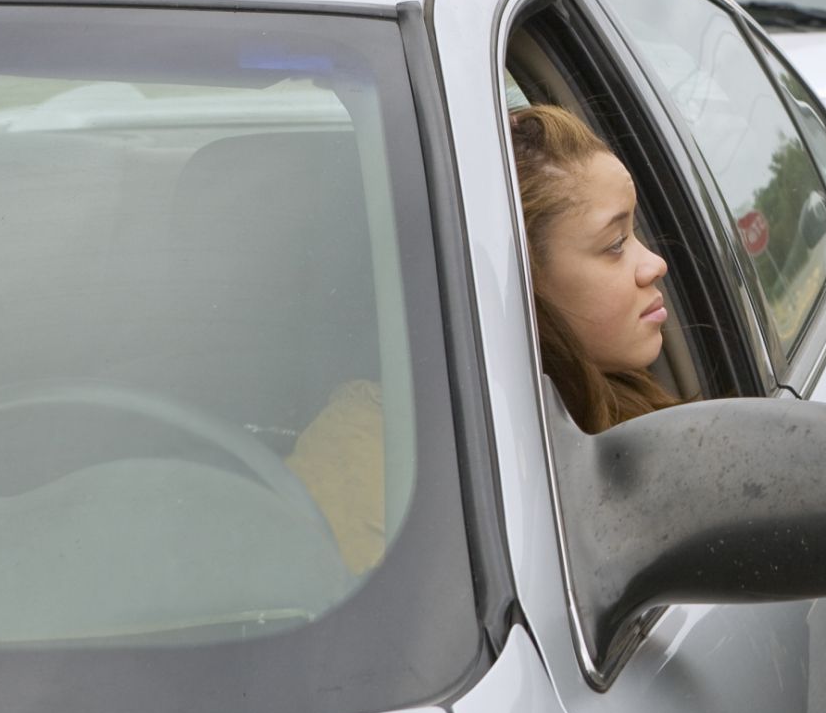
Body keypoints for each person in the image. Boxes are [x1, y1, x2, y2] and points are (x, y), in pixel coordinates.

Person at [288, 102, 677, 570]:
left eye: (634, 232)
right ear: (516, 282)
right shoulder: (370, 463)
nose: (656, 263)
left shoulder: (614, 398)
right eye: (615, 244)